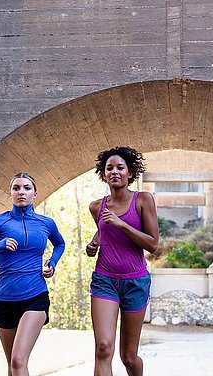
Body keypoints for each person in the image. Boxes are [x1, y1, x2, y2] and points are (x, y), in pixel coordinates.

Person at [0, 172, 65, 376]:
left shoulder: (46, 223)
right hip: (4, 300)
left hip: (35, 296)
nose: (21, 192)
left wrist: (52, 263)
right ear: (10, 193)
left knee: (18, 361)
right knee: (12, 365)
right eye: (16, 188)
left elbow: (60, 243)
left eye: (26, 188)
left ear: (35, 193)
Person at [86, 146, 159, 376]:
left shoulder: (143, 200)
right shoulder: (97, 206)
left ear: (130, 172)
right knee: (103, 347)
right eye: (109, 168)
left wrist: (123, 224)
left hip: (135, 283)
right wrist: (93, 244)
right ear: (103, 174)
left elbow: (153, 245)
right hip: (104, 280)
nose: (114, 171)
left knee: (128, 357)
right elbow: (103, 231)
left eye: (120, 167)